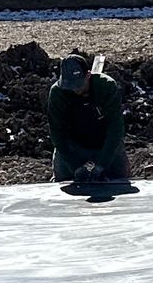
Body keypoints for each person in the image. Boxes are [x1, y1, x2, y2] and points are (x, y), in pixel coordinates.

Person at [48, 53, 130, 187]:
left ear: (88, 75)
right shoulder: (58, 93)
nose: (75, 89)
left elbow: (116, 128)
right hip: (73, 145)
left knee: (120, 182)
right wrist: (74, 166)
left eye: (78, 85)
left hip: (105, 143)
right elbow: (57, 133)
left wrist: (102, 164)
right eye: (71, 85)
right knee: (63, 185)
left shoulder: (106, 86)